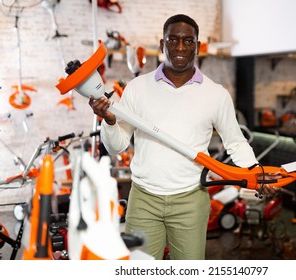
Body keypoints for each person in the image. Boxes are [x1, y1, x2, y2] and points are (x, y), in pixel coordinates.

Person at [89, 14, 277, 260]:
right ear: (162, 44)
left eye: (188, 41)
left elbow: (236, 142)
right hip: (144, 198)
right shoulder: (137, 88)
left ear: (197, 46)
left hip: (191, 199)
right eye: (173, 40)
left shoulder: (215, 94)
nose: (180, 47)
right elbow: (116, 147)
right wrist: (110, 121)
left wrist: (255, 172)